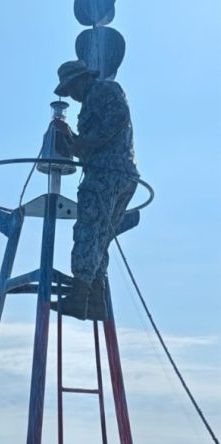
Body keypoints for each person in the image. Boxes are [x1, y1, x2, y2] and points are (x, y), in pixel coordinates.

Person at [51, 60, 139, 321]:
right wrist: (76, 143)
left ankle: (81, 297)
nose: (72, 95)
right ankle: (96, 300)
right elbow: (101, 136)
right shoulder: (96, 97)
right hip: (119, 174)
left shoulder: (103, 91)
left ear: (80, 80)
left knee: (88, 232)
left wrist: (81, 144)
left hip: (106, 175)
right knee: (100, 238)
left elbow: (115, 122)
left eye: (71, 88)